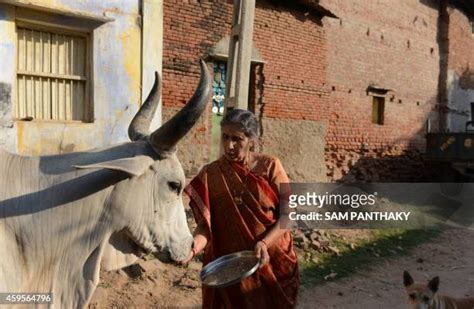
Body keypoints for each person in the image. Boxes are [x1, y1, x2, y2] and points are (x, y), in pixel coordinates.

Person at [182, 109, 299, 309]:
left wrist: (264, 243)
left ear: (251, 140)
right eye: (225, 137)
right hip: (227, 267)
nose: (229, 145)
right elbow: (207, 225)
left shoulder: (270, 166)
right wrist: (191, 250)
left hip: (270, 260)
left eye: (237, 139)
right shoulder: (212, 173)